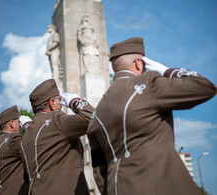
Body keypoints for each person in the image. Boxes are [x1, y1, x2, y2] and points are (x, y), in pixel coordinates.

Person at [87, 37, 216, 195]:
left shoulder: (96, 113)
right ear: (139, 63)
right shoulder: (148, 84)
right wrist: (168, 72)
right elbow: (205, 87)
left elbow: (99, 171)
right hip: (164, 185)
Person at [21, 79, 94, 195]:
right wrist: (75, 101)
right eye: (59, 100)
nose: (61, 104)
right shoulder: (55, 120)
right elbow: (92, 118)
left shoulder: (27, 133)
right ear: (52, 103)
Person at [0, 105, 27, 195]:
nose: (20, 126)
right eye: (19, 122)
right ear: (12, 123)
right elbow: (34, 147)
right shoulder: (13, 139)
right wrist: (28, 126)